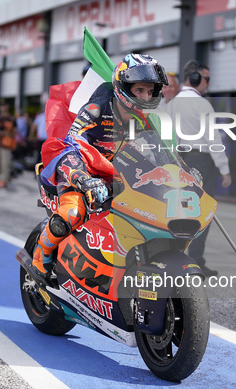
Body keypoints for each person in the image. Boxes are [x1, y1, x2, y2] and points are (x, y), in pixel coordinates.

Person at [26, 53, 169, 285]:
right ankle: (40, 257)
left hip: (113, 174)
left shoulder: (142, 119)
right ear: (123, 86)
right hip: (79, 170)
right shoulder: (96, 108)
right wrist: (83, 179)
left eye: (150, 91)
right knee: (73, 213)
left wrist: (180, 173)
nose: (146, 96)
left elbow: (158, 152)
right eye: (139, 90)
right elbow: (72, 141)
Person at [166, 60, 231, 276]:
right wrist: (224, 169)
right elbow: (213, 138)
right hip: (201, 163)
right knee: (202, 214)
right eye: (206, 79)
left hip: (179, 162)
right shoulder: (202, 104)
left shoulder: (172, 104)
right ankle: (195, 263)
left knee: (181, 211)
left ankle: (178, 260)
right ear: (194, 78)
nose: (208, 83)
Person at [0, 103, 17, 188]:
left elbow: (15, 132)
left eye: (4, 105)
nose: (3, 107)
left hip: (6, 145)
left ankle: (4, 181)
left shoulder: (11, 119)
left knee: (5, 164)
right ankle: (6, 175)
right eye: (2, 105)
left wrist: (7, 133)